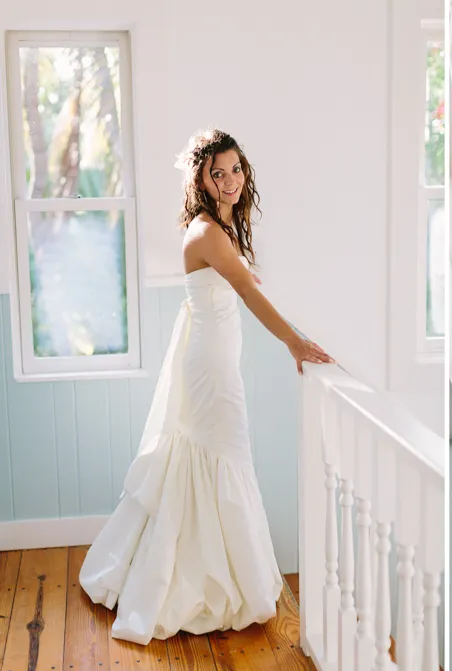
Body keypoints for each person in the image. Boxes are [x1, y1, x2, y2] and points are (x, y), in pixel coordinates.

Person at [79, 129, 334, 644]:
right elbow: (246, 292)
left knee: (221, 454)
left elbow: (245, 284)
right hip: (210, 367)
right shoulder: (207, 232)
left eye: (236, 169)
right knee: (218, 453)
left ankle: (217, 572)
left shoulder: (222, 225)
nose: (231, 181)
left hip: (217, 356)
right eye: (218, 172)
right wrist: (294, 342)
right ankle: (187, 582)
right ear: (201, 177)